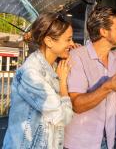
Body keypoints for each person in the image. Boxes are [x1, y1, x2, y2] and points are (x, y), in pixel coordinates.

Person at [64, 7, 116, 149]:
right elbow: (77, 105)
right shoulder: (77, 56)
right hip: (80, 143)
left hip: (108, 141)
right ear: (103, 31)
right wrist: (109, 86)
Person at [3, 12, 74, 149]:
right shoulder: (32, 73)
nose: (72, 43)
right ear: (49, 41)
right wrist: (63, 83)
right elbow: (62, 117)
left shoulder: (52, 67)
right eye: (68, 39)